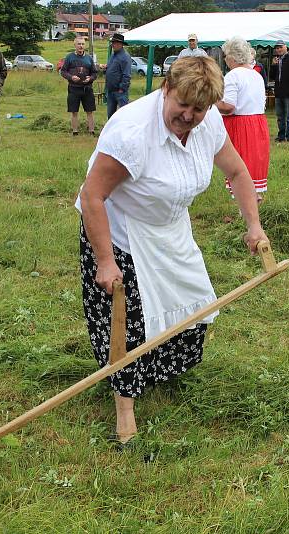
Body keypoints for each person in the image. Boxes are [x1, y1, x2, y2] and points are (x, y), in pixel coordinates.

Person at [76, 56, 268, 445]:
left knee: (191, 307)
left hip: (171, 229)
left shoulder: (208, 122)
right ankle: (124, 408)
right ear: (166, 88)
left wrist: (253, 226)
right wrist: (106, 261)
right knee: (129, 326)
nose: (190, 115)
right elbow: (92, 196)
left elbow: (236, 171)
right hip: (122, 234)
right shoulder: (131, 132)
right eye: (183, 104)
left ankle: (159, 377)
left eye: (199, 109)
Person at [216, 37, 269, 203]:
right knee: (253, 163)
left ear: (232, 57)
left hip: (241, 125)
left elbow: (229, 106)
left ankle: (245, 206)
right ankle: (255, 196)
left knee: (239, 166)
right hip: (258, 123)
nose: (225, 60)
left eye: (226, 56)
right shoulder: (256, 76)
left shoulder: (233, 75)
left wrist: (211, 102)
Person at [61, 36, 97, 136]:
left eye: (82, 44)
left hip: (87, 89)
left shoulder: (89, 58)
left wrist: (90, 78)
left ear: (85, 45)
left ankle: (92, 131)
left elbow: (94, 73)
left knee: (90, 111)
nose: (81, 46)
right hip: (74, 88)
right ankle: (75, 132)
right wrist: (71, 77)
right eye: (79, 44)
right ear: (75, 45)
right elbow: (63, 71)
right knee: (74, 111)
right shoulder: (69, 57)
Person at [270, 39, 289, 142]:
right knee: (280, 116)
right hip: (278, 92)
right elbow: (272, 76)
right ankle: (281, 136)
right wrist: (273, 65)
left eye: (280, 47)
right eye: (277, 48)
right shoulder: (276, 60)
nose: (279, 49)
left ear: (286, 47)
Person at [105, 33, 131, 119]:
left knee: (123, 114)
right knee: (110, 115)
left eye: (115, 43)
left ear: (120, 44)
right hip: (111, 90)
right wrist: (106, 67)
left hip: (120, 92)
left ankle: (124, 131)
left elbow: (126, 75)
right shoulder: (113, 55)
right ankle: (112, 131)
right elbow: (112, 69)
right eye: (112, 43)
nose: (113, 45)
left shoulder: (125, 57)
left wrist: (122, 88)